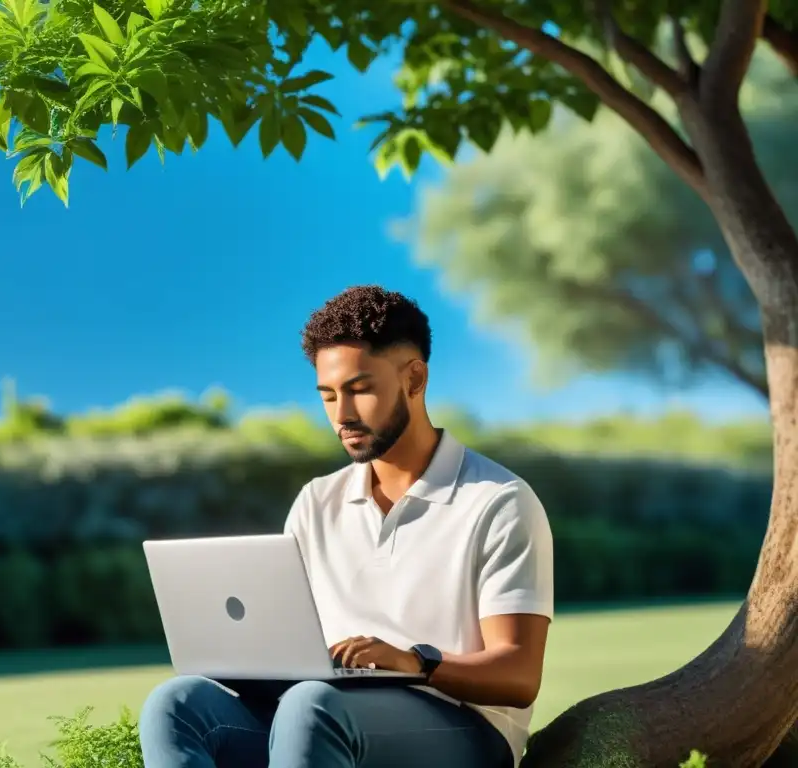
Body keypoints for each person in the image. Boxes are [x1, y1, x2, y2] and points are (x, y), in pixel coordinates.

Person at [139, 285, 554, 768]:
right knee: (177, 705)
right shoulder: (318, 501)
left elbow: (519, 674)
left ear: (414, 379)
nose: (342, 415)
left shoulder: (497, 501)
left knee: (311, 706)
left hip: (463, 728)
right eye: (329, 395)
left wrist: (415, 662)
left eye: (360, 390)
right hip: (324, 711)